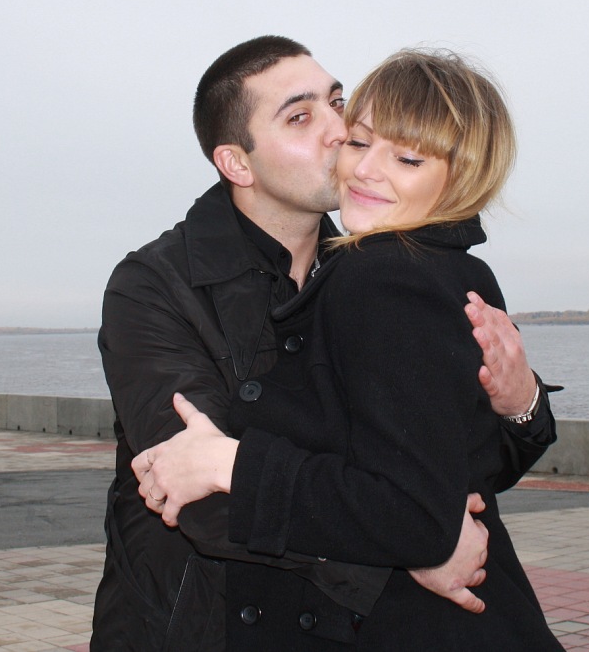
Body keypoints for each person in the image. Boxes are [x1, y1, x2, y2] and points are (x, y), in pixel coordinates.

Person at [91, 36, 556, 650]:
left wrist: (521, 404)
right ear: (238, 164)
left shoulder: (388, 267)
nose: (339, 131)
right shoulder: (156, 285)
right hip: (202, 625)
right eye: (300, 117)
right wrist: (411, 550)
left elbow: (452, 467)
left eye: (338, 103)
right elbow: (192, 492)